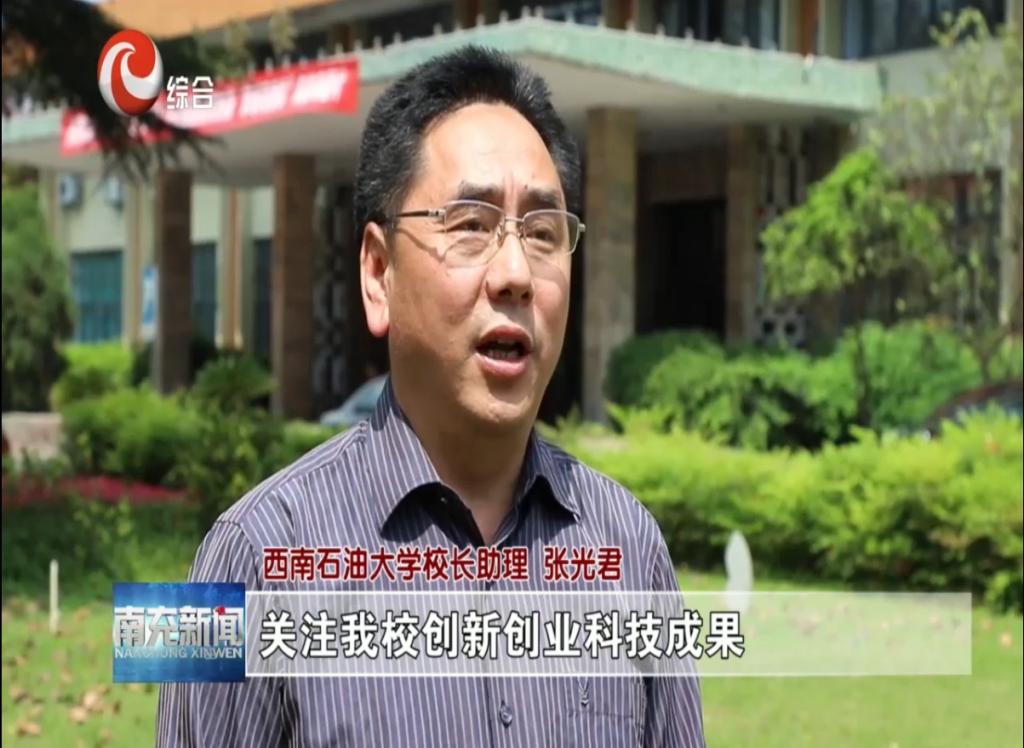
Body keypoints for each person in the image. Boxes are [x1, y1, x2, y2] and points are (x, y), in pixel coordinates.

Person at [157, 45, 705, 747]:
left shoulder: (630, 549)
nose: (515, 274)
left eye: (543, 233)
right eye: (471, 225)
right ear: (378, 273)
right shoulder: (250, 557)